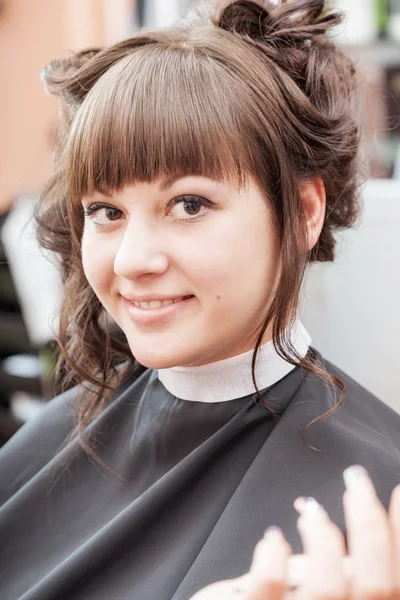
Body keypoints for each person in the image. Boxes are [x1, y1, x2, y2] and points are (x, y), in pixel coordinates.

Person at [0, 0, 399, 598]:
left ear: (304, 213)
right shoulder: (50, 438)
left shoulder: (376, 505)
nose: (133, 259)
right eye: (105, 212)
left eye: (189, 204)